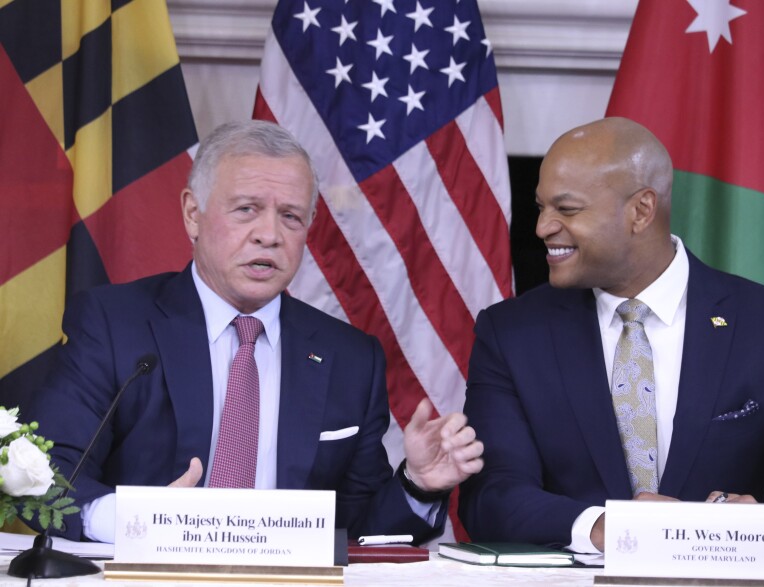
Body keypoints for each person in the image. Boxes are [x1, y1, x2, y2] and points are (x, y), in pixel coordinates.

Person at [27, 120, 484, 543]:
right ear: (193, 213)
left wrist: (418, 485)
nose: (270, 234)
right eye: (247, 209)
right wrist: (137, 520)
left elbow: (359, 532)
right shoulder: (114, 325)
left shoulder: (349, 357)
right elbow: (45, 476)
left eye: (290, 216)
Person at [458, 117, 764, 559]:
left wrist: (753, 531)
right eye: (541, 207)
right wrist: (606, 527)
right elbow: (491, 498)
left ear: (641, 210)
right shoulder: (511, 333)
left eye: (567, 209)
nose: (542, 227)